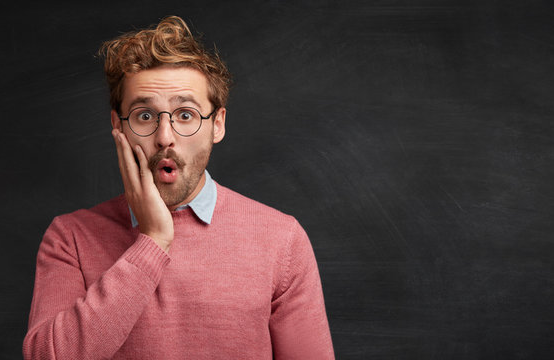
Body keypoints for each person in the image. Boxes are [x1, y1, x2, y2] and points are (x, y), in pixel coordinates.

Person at [22, 16, 334, 359]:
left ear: (217, 125)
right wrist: (154, 240)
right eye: (144, 116)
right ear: (118, 126)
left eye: (185, 115)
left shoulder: (282, 240)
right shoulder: (70, 238)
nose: (165, 137)